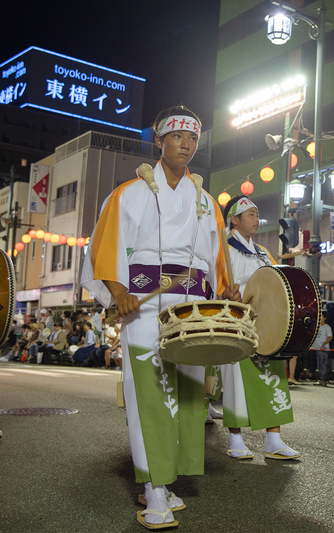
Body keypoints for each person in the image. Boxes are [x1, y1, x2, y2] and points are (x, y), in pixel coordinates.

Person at [81, 105, 238, 529]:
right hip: (145, 305)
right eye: (177, 137)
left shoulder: (206, 201)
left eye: (193, 138)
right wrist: (117, 291)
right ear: (159, 140)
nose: (186, 145)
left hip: (190, 309)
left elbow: (217, 259)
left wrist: (227, 290)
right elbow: (104, 247)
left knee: (187, 396)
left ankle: (167, 479)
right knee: (149, 392)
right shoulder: (127, 193)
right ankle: (153, 490)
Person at [220, 194, 299, 461]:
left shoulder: (264, 253)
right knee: (237, 380)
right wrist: (225, 295)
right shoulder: (224, 249)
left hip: (265, 325)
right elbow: (215, 285)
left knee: (273, 375)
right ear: (235, 220)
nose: (256, 219)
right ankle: (235, 438)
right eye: (250, 214)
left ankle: (273, 439)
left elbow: (275, 284)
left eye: (257, 214)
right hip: (235, 321)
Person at [312, 310, 334, 386]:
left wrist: (324, 343)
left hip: (323, 348)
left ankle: (323, 379)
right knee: (319, 364)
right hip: (317, 348)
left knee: (323, 364)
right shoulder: (316, 326)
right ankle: (321, 379)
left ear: (325, 318)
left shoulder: (327, 327)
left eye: (321, 316)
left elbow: (330, 337)